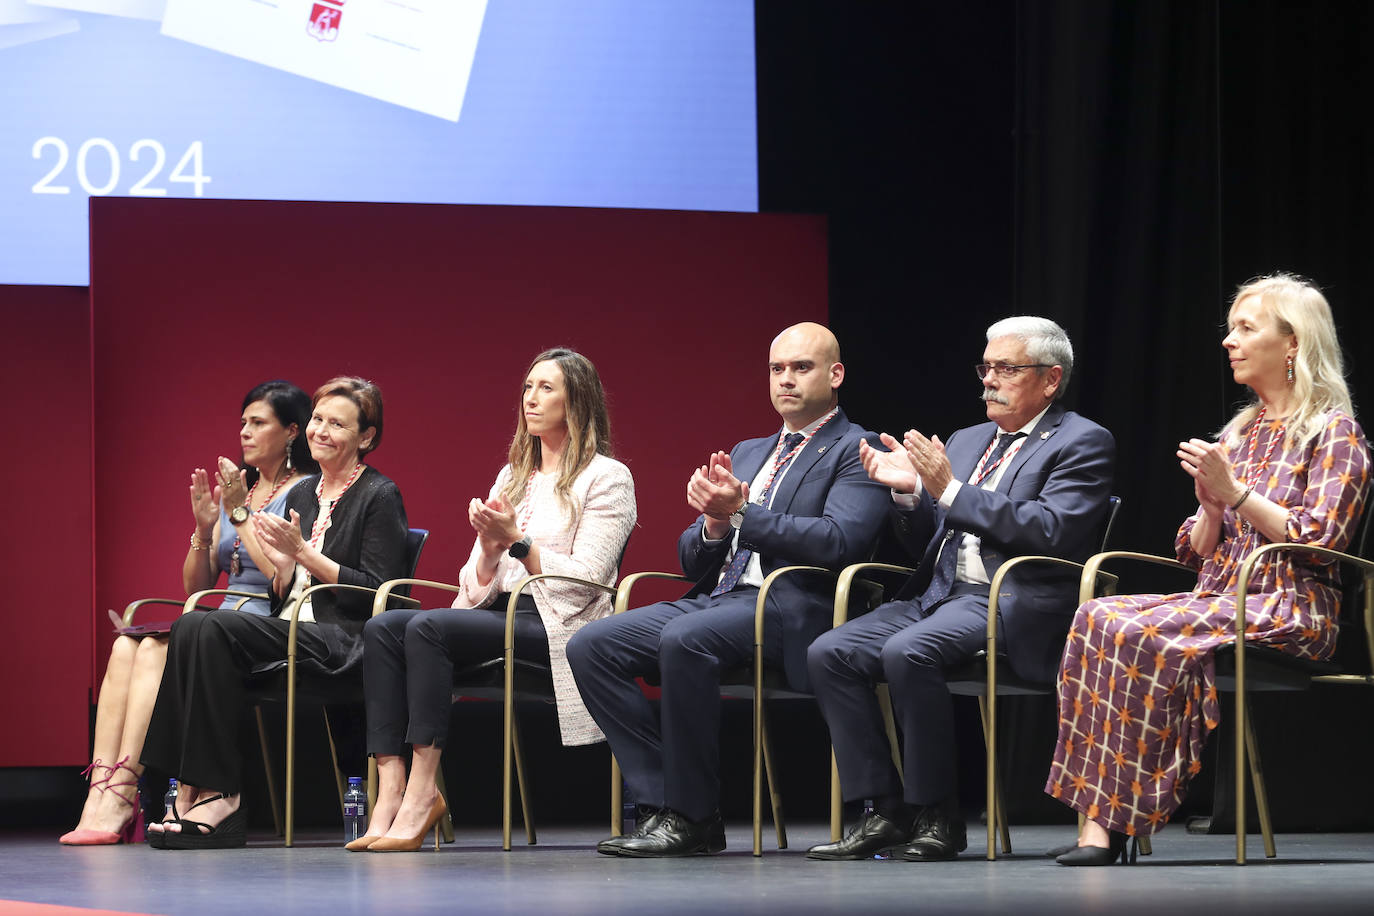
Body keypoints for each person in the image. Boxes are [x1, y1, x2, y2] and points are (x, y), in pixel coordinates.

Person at [1044, 274, 1370, 865]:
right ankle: (1099, 825)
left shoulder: (1335, 434)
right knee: (1096, 614)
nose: (1229, 341)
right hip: (1219, 595)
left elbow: (1321, 541)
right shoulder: (1240, 433)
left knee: (1142, 632)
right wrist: (1214, 508)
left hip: (1289, 605)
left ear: (1292, 343)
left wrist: (1236, 494)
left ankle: (1120, 821)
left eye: (1246, 329)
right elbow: (1196, 552)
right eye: (1230, 329)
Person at [567, 322, 890, 857]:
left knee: (686, 639)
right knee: (592, 644)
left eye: (801, 368)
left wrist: (741, 512)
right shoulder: (748, 451)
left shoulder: (859, 449)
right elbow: (692, 555)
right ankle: (661, 800)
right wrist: (716, 525)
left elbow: (839, 542)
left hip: (793, 603)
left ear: (835, 375)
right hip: (721, 598)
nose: (785, 380)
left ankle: (694, 817)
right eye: (776, 370)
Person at [804, 316, 1115, 862]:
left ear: (1050, 379)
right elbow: (930, 537)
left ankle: (936, 816)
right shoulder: (970, 440)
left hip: (1011, 598)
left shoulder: (1081, 441)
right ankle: (882, 809)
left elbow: (1053, 529)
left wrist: (949, 487)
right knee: (832, 651)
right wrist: (908, 496)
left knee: (909, 652)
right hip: (941, 593)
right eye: (986, 367)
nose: (989, 380)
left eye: (1006, 369)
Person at [349, 348, 636, 852]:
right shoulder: (513, 475)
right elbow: (475, 586)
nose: (531, 398)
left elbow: (589, 579)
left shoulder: (607, 477)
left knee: (426, 627)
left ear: (578, 400)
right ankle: (390, 788)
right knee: (383, 627)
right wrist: (488, 545)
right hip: (497, 614)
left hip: (558, 624)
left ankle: (422, 793)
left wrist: (519, 543)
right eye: (527, 387)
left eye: (546, 388)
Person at [141, 376, 410, 849]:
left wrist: (303, 555)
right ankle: (188, 788)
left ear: (366, 437)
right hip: (292, 626)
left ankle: (222, 795)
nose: (321, 431)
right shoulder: (307, 495)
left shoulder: (379, 495)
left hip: (344, 637)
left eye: (338, 424)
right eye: (318, 420)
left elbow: (376, 595)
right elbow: (281, 584)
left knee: (213, 626)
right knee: (192, 623)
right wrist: (284, 565)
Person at [59, 381, 314, 846]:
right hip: (213, 619)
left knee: (156, 651)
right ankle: (99, 791)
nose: (244, 432)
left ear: (292, 431)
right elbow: (196, 587)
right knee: (125, 645)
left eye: (258, 423)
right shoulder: (240, 490)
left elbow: (283, 576)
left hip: (267, 623)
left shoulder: (304, 493)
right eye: (242, 423)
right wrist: (203, 528)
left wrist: (238, 516)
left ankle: (122, 795)